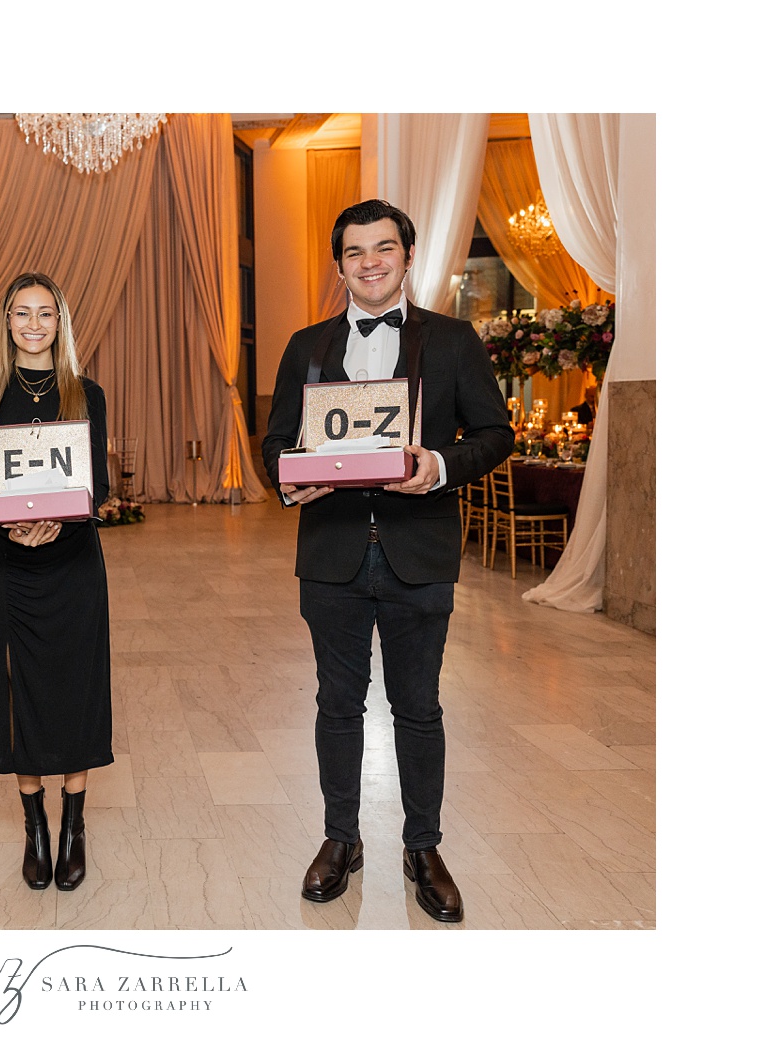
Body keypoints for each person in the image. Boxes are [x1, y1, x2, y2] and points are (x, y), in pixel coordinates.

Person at [262, 201, 513, 923]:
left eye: (382, 248)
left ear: (406, 255)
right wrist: (288, 475)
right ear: (337, 264)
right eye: (353, 251)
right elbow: (272, 444)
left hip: (419, 553)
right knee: (336, 707)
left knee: (418, 707)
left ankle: (421, 846)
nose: (368, 262)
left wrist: (436, 463)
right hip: (331, 555)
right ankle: (340, 838)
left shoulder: (453, 340)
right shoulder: (305, 346)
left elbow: (493, 434)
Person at [0, 272, 113, 892]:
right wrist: (14, 527)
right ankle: (35, 828)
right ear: (6, 322)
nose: (33, 324)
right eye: (21, 313)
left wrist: (55, 520)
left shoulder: (87, 394)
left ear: (60, 323)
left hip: (74, 561)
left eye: (45, 314)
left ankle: (75, 826)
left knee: (74, 688)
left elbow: (96, 484)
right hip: (9, 566)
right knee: (17, 691)